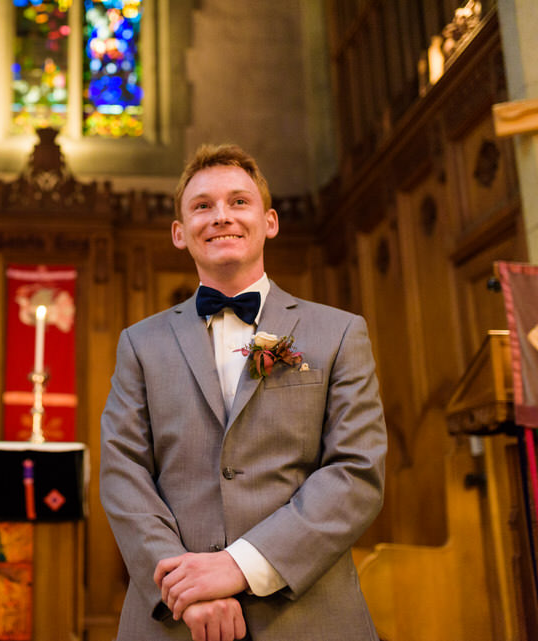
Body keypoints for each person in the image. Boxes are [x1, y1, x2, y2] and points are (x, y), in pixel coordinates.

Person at [99, 143, 387, 641]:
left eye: (238, 201)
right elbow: (124, 474)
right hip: (174, 621)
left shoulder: (338, 333)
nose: (220, 217)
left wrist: (239, 566)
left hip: (307, 615)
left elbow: (356, 472)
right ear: (179, 232)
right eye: (202, 206)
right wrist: (184, 590)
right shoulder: (139, 344)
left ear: (269, 221)